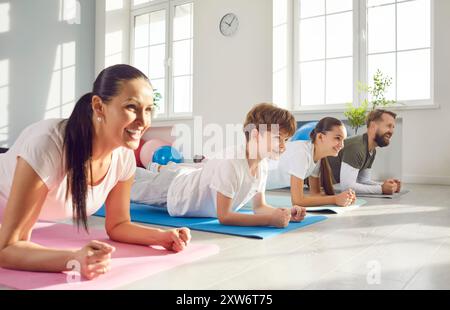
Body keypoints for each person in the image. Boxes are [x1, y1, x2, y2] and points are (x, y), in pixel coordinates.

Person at [0, 64, 191, 280]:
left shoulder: (123, 157)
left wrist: (162, 236)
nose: (144, 121)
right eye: (131, 107)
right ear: (99, 106)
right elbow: (8, 248)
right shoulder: (48, 145)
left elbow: (118, 225)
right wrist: (73, 259)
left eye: (148, 109)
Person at [131, 103, 307, 228]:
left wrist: (284, 213)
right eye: (278, 139)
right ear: (255, 135)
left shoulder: (262, 166)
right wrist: (269, 221)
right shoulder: (232, 163)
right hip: (173, 191)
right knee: (124, 180)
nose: (284, 146)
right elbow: (224, 216)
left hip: (183, 178)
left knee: (135, 175)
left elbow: (259, 207)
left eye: (286, 140)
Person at [266, 117, 356, 207]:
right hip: (253, 177)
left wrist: (345, 197)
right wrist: (335, 199)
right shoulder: (302, 153)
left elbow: (315, 194)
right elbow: (297, 201)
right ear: (320, 137)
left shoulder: (317, 157)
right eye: (337, 138)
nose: (342, 145)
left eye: (343, 140)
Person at [328, 109, 401, 195]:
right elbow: (346, 187)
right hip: (314, 182)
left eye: (393, 127)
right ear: (373, 126)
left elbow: (363, 180)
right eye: (388, 126)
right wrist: (381, 189)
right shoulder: (356, 147)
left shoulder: (371, 150)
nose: (391, 131)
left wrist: (387, 186)